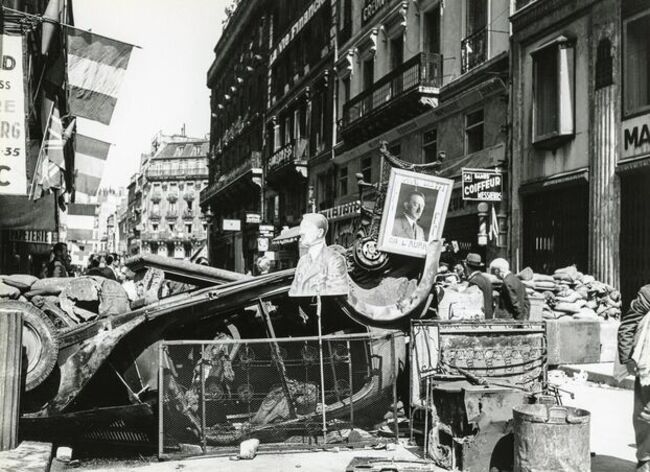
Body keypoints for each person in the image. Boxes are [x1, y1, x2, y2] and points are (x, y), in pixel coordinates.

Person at [618, 285, 650, 472]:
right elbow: (628, 325)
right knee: (645, 413)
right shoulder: (648, 293)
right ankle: (646, 459)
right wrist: (628, 357)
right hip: (648, 362)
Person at [289, 213, 349, 297]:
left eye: (306, 227)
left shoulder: (334, 260)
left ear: (320, 232)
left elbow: (336, 297)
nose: (301, 232)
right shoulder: (302, 261)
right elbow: (294, 293)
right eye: (301, 228)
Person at [465, 253, 493, 319]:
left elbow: (472, 303)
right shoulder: (486, 279)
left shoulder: (474, 281)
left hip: (480, 317)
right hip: (489, 315)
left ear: (467, 266)